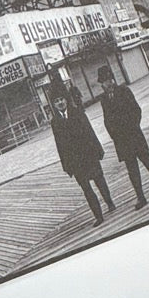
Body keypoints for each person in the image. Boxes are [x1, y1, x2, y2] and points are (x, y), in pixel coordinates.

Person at [97, 65, 149, 210]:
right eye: (105, 81)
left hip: (134, 134)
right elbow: (107, 120)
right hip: (122, 140)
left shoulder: (124, 90)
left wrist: (133, 126)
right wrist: (114, 135)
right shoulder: (104, 99)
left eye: (110, 79)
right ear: (101, 84)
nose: (108, 83)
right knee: (132, 169)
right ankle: (140, 196)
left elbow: (136, 110)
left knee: (147, 161)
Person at [50, 91, 114, 227]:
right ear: (53, 105)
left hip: (88, 154)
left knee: (99, 180)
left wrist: (98, 149)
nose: (60, 103)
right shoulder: (55, 122)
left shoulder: (77, 112)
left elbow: (90, 131)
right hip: (75, 161)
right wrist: (66, 165)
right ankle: (98, 215)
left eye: (61, 99)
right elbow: (59, 144)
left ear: (66, 100)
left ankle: (109, 202)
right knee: (86, 188)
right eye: (56, 101)